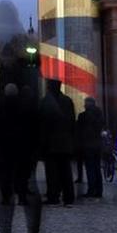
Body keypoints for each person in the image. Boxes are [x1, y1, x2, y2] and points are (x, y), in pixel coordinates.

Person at [0, 83, 44, 233]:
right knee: (29, 189)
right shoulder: (30, 107)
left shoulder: (1, 110)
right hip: (26, 155)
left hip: (6, 157)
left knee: (5, 193)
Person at [40, 79, 76, 207]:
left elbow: (43, 124)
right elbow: (72, 121)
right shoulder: (67, 101)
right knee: (66, 171)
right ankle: (68, 197)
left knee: (52, 172)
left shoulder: (46, 102)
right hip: (65, 142)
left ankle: (53, 196)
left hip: (51, 143)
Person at [76, 96, 105, 199]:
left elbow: (81, 130)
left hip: (88, 145)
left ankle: (91, 190)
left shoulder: (83, 116)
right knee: (97, 168)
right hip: (97, 145)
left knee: (90, 168)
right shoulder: (99, 114)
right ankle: (99, 191)